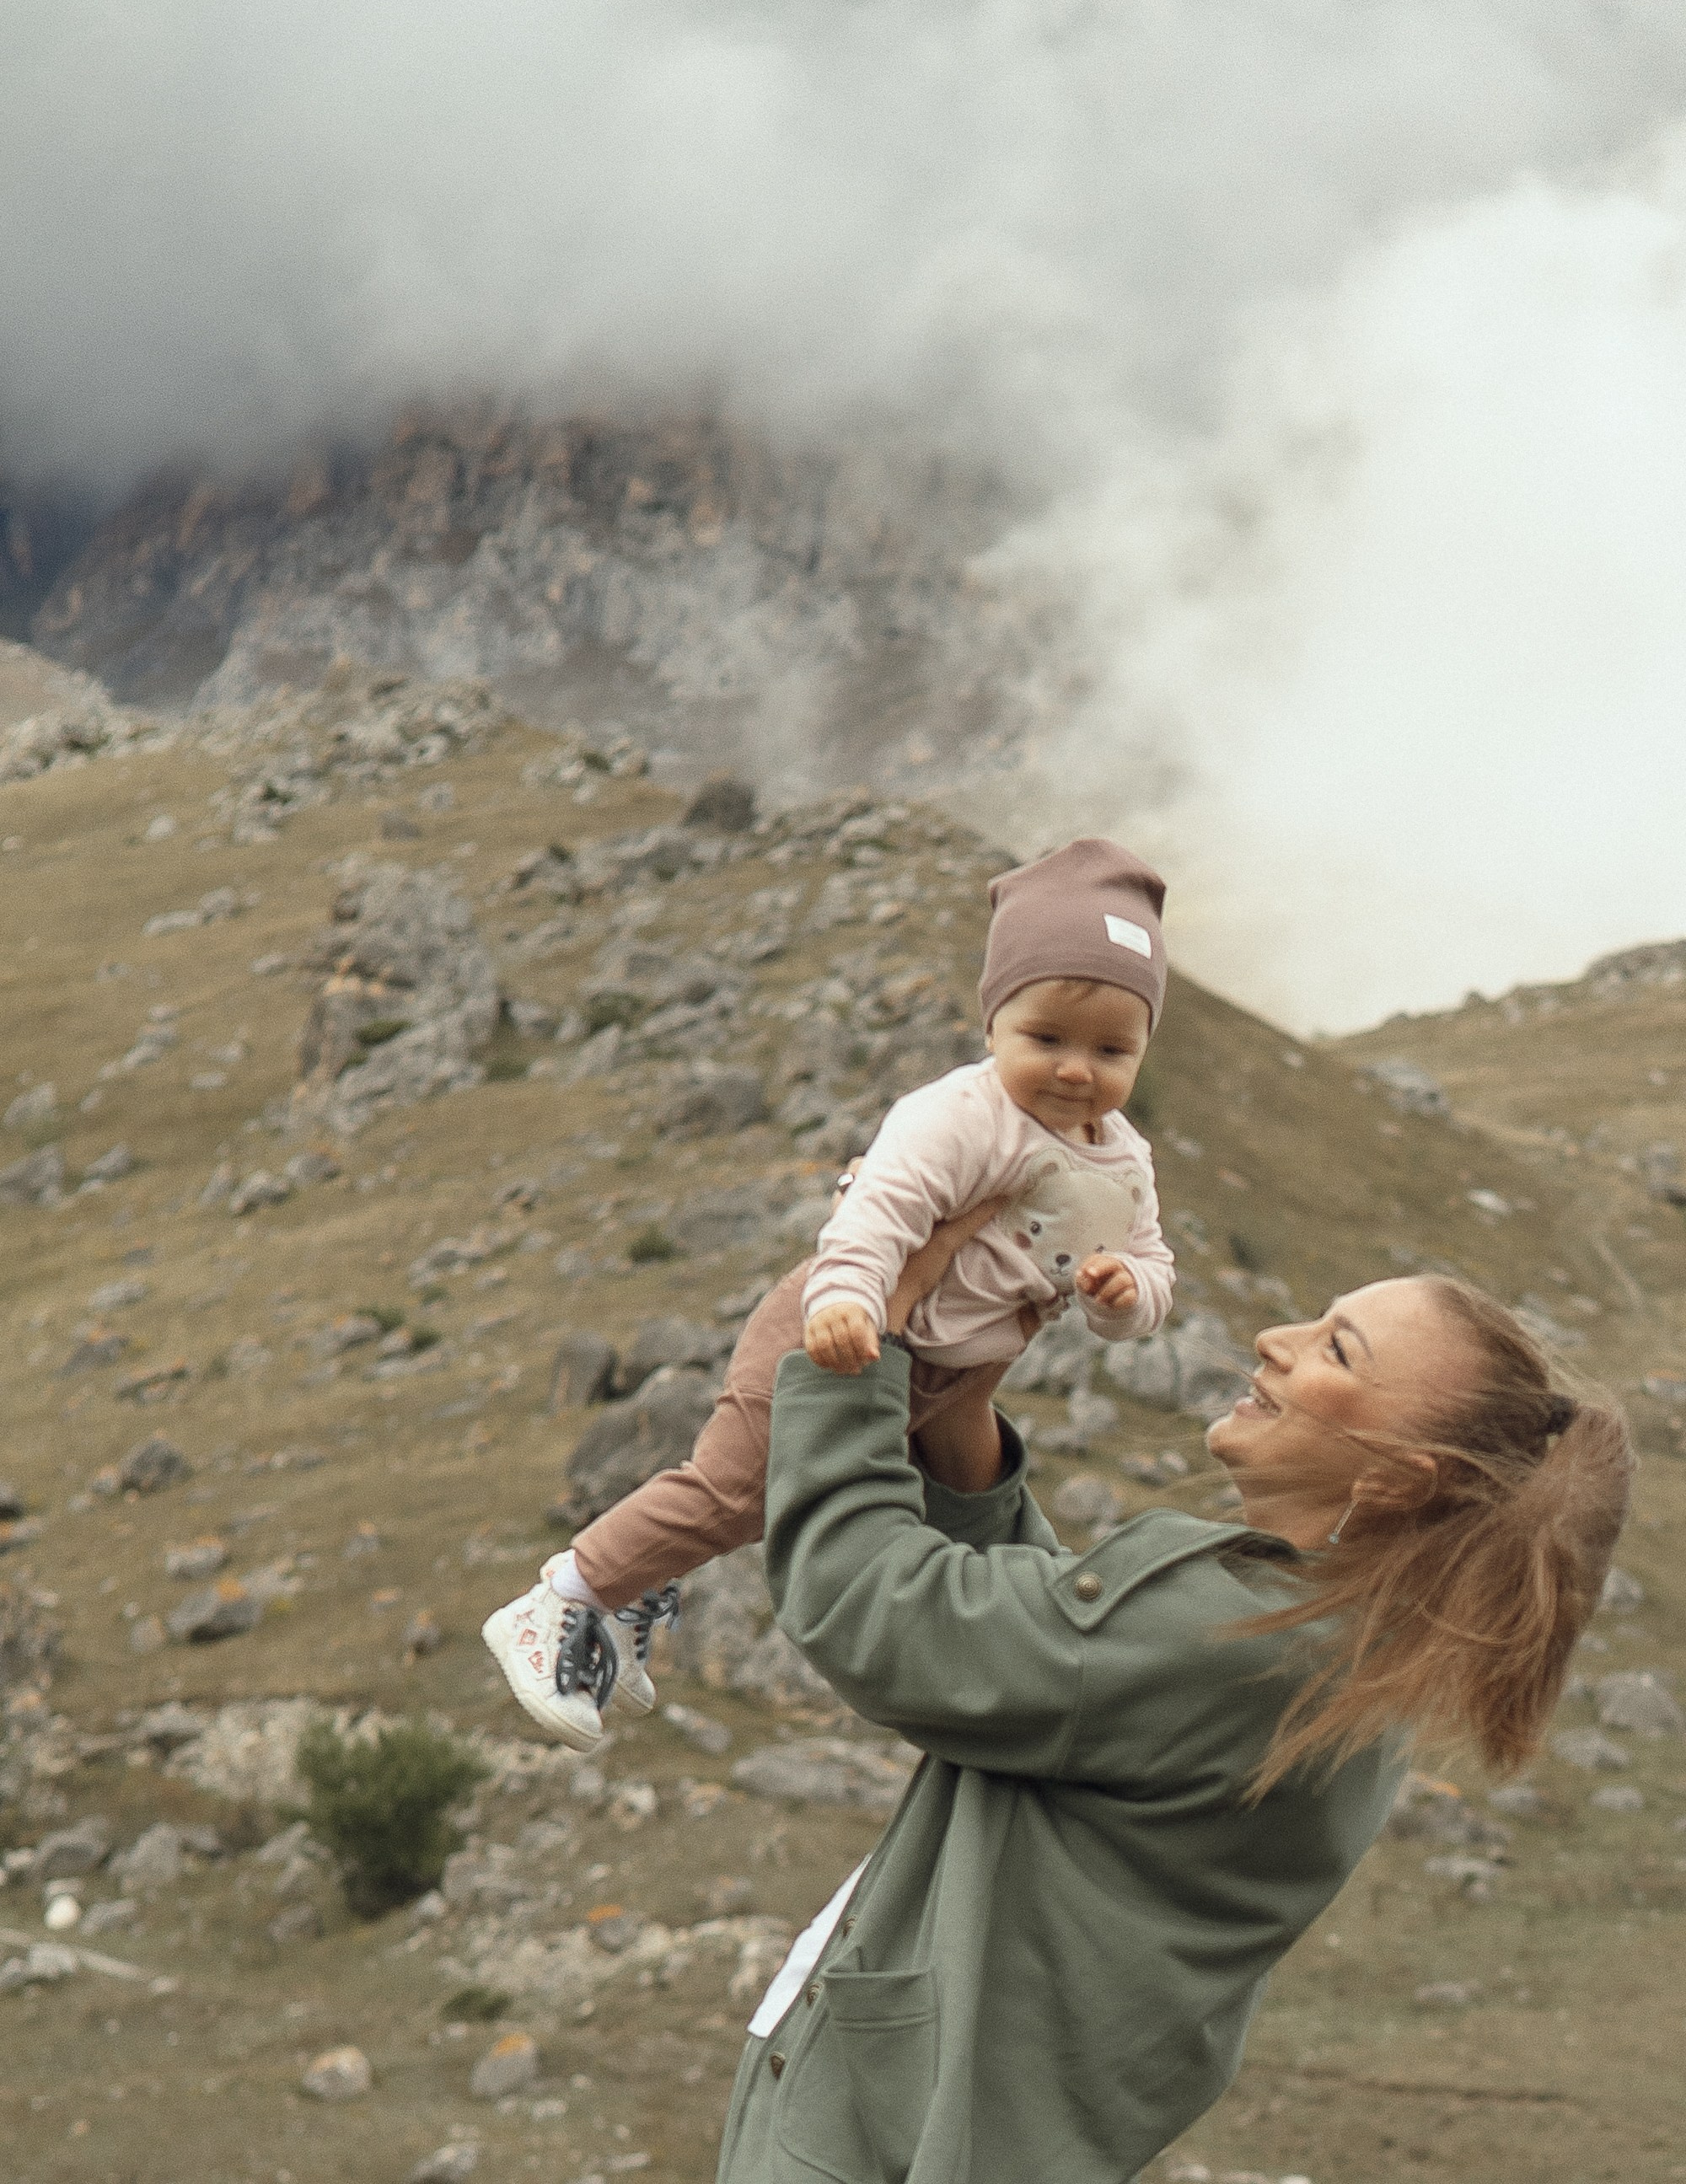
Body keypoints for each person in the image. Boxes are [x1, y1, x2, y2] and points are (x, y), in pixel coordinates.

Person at [713, 1269, 1634, 2184]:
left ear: (1396, 1481)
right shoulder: (1337, 1649)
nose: (1276, 1336)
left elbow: (870, 1610)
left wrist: (854, 1339)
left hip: (879, 2146)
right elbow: (1072, 1682)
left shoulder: (1246, 1645)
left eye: (1334, 1348)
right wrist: (961, 1422)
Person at [485, 837, 1178, 1747]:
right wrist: (843, 1301)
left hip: (954, 1375)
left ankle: (629, 1591)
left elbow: (1152, 1260)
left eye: (1110, 1049)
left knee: (969, 1504)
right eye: (1044, 1038)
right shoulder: (963, 1117)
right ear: (992, 1026)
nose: (1075, 1070)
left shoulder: (1123, 1159)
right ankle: (563, 1596)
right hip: (847, 1334)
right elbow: (878, 1211)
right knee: (738, 1489)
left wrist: (1123, 1294)